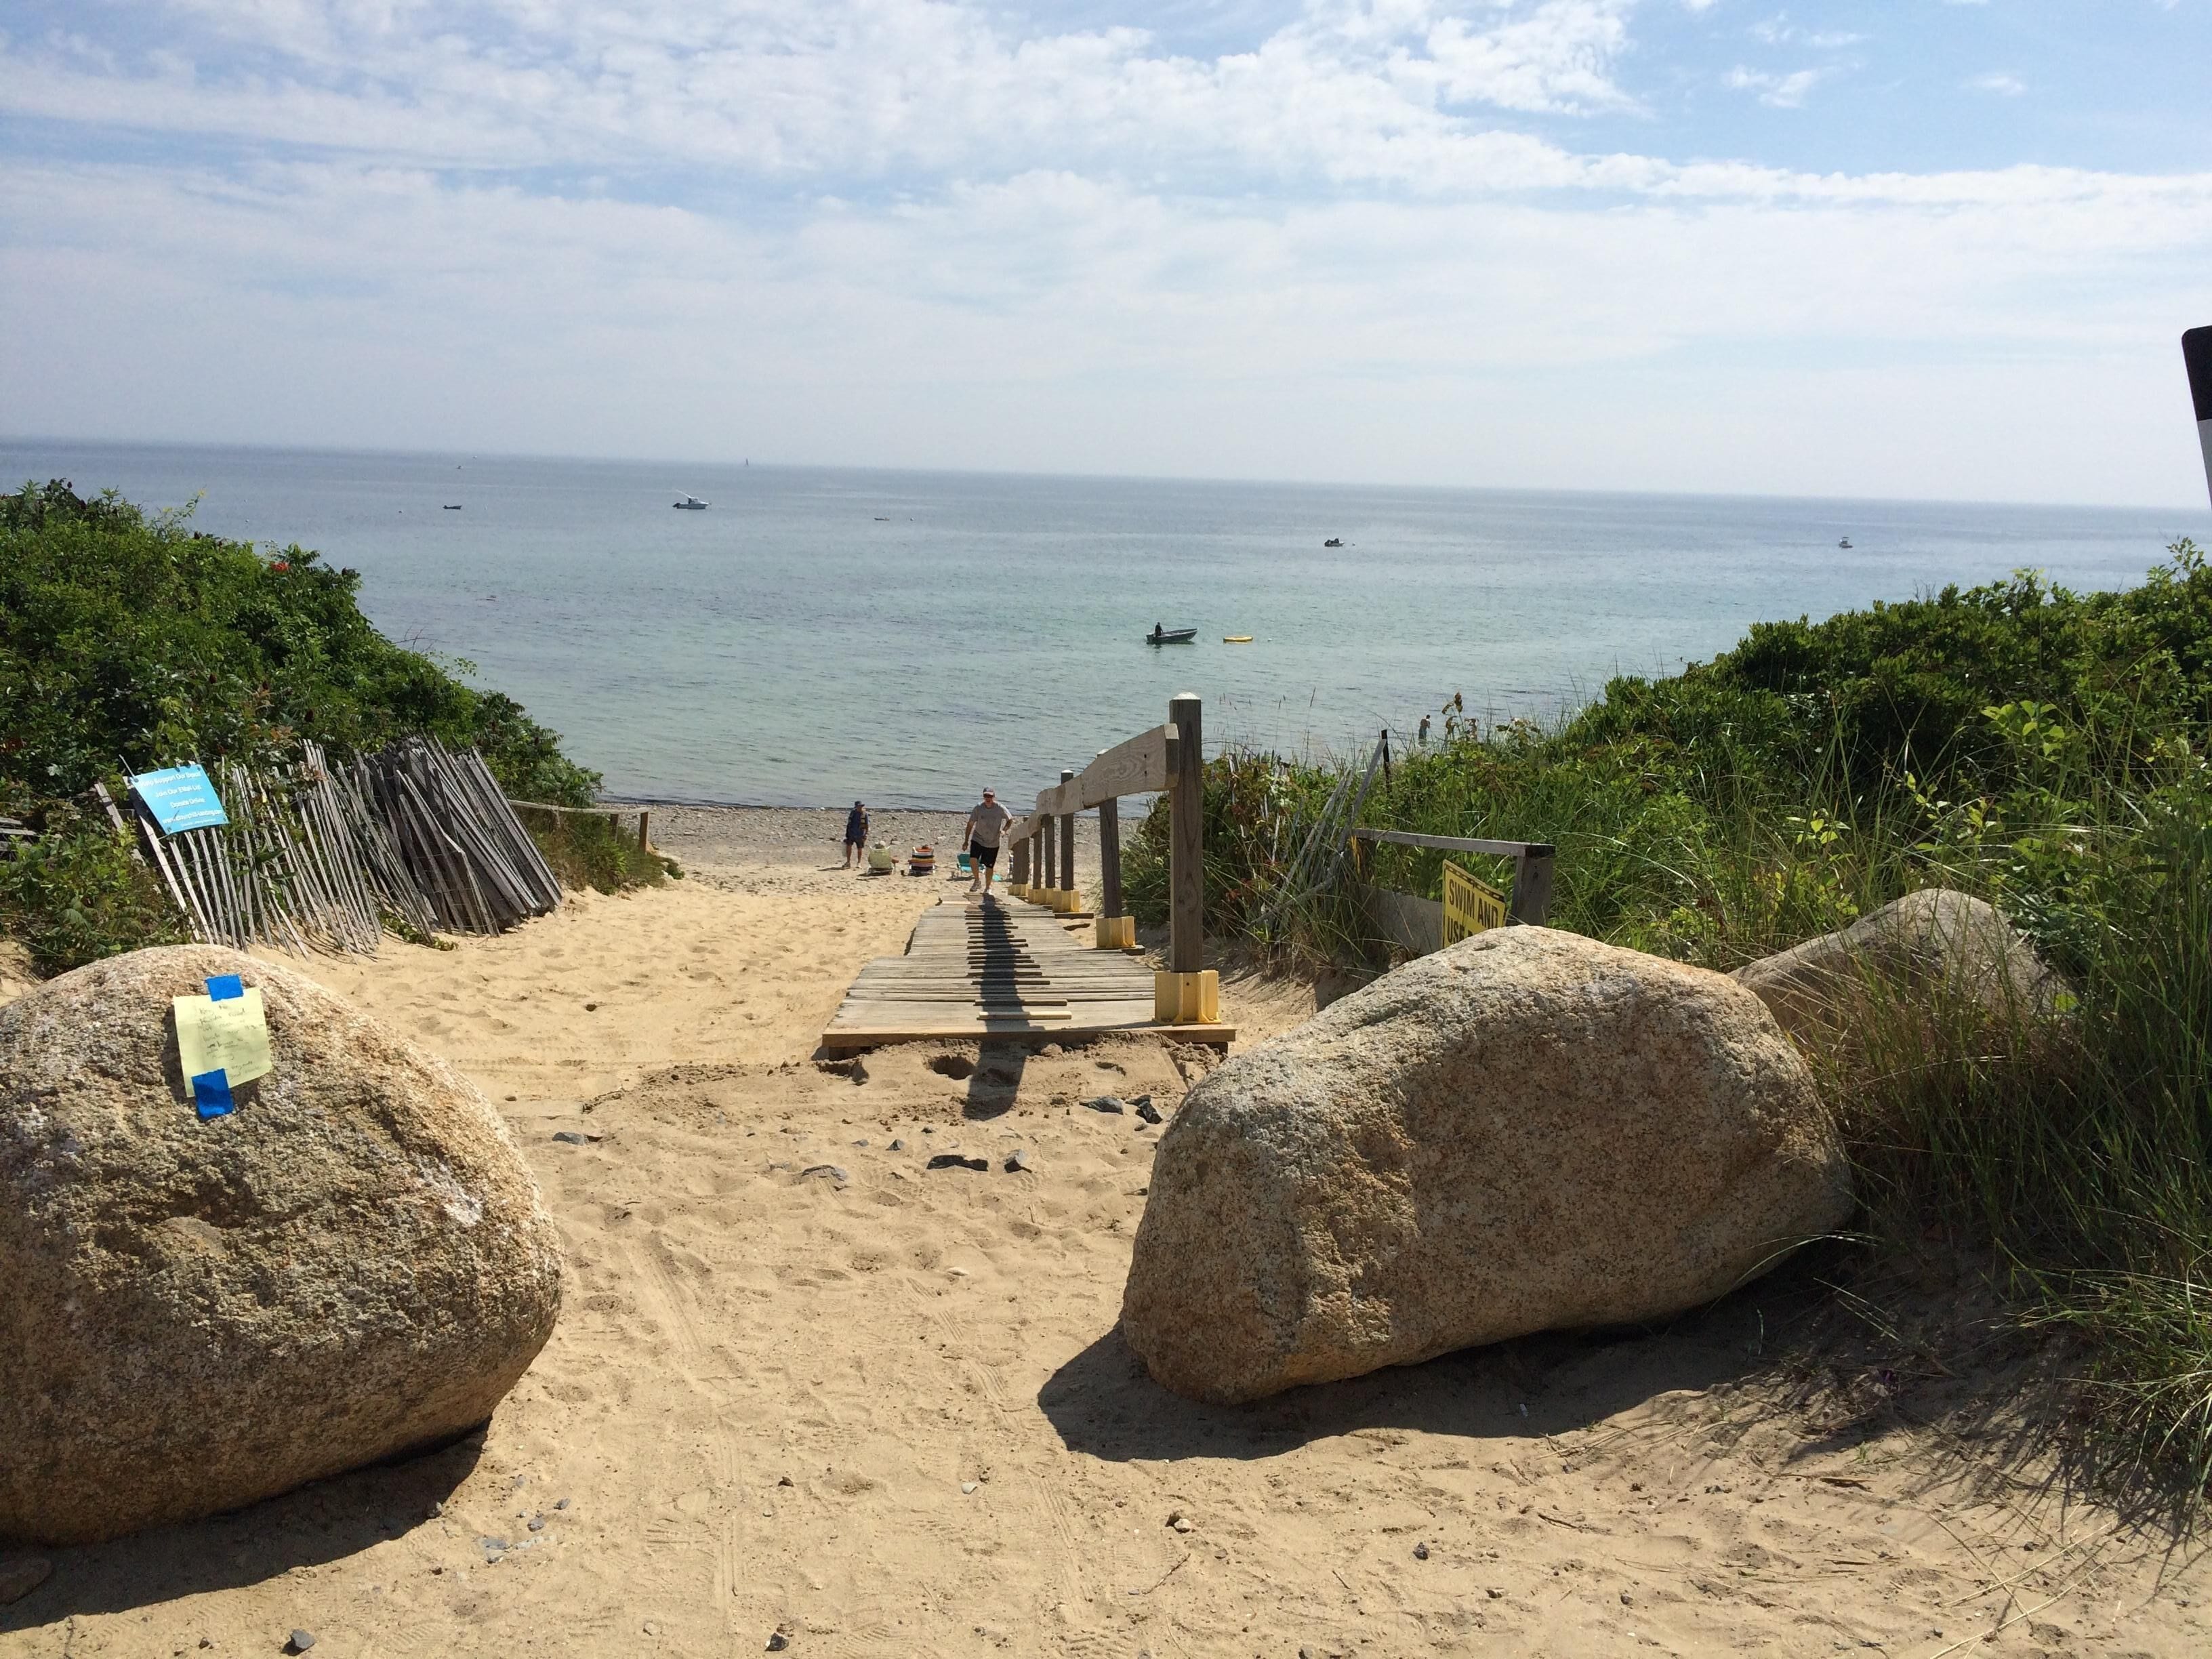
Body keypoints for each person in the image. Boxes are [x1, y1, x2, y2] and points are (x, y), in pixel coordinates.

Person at [962, 788, 1013, 896]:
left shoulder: (1000, 808)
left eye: (990, 796)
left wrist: (1004, 830)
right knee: (973, 859)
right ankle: (977, 881)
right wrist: (966, 841)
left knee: (989, 866)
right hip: (978, 838)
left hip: (993, 841)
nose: (988, 798)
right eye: (986, 796)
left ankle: (988, 887)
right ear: (983, 797)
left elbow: (1010, 820)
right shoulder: (978, 808)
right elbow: (970, 824)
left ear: (994, 797)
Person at [842, 800, 869, 868]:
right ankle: (848, 862)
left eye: (860, 806)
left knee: (860, 848)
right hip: (851, 833)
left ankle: (859, 863)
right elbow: (849, 823)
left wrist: (866, 834)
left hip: (860, 834)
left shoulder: (864, 814)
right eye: (858, 806)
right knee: (849, 847)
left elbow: (867, 825)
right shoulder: (853, 813)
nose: (859, 808)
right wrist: (847, 833)